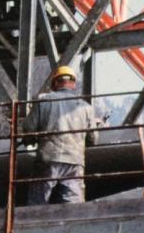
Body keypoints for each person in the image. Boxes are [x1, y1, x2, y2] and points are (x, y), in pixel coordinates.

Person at [24, 66, 99, 204]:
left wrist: (29, 141)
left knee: (37, 204)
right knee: (73, 208)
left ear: (55, 83)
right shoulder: (86, 107)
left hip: (48, 159)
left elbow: (28, 128)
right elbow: (93, 139)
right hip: (74, 163)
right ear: (74, 84)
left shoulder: (43, 100)